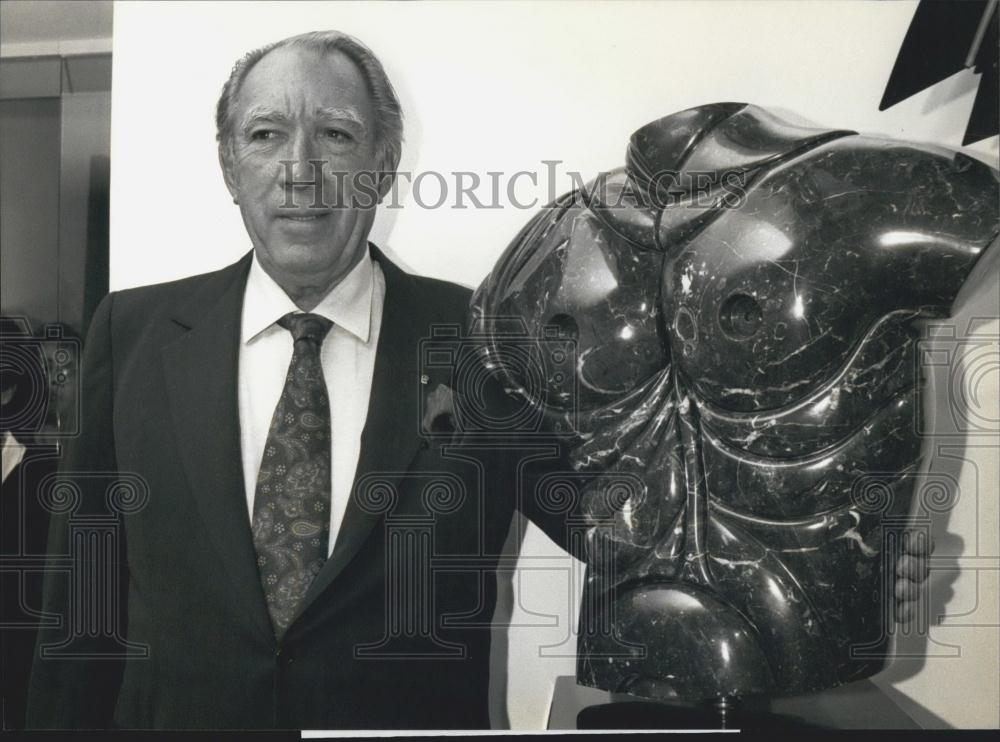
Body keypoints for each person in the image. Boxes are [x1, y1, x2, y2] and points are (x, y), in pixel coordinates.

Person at [24, 30, 931, 730]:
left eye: (335, 134)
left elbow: (620, 529)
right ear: (230, 163)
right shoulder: (132, 332)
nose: (300, 171)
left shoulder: (483, 334)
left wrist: (825, 547)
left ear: (383, 162)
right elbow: (84, 594)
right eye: (266, 135)